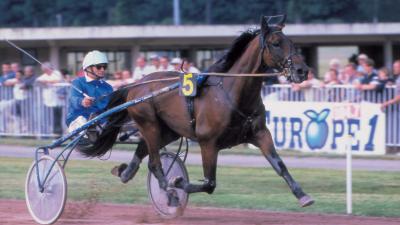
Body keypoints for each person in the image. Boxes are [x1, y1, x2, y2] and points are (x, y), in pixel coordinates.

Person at [66, 50, 113, 137]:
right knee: (82, 121)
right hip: (78, 117)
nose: (102, 70)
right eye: (99, 67)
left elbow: (110, 106)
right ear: (88, 68)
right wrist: (82, 101)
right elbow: (73, 99)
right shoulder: (78, 82)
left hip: (101, 120)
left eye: (104, 67)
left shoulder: (108, 87)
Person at [35, 62, 64, 136]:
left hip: (58, 101)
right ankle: (49, 134)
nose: (44, 71)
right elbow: (37, 81)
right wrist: (44, 82)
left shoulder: (56, 73)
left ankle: (58, 134)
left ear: (49, 68)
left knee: (57, 118)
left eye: (45, 69)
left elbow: (58, 80)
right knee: (48, 118)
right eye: (43, 70)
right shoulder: (44, 75)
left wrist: (46, 81)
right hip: (47, 101)